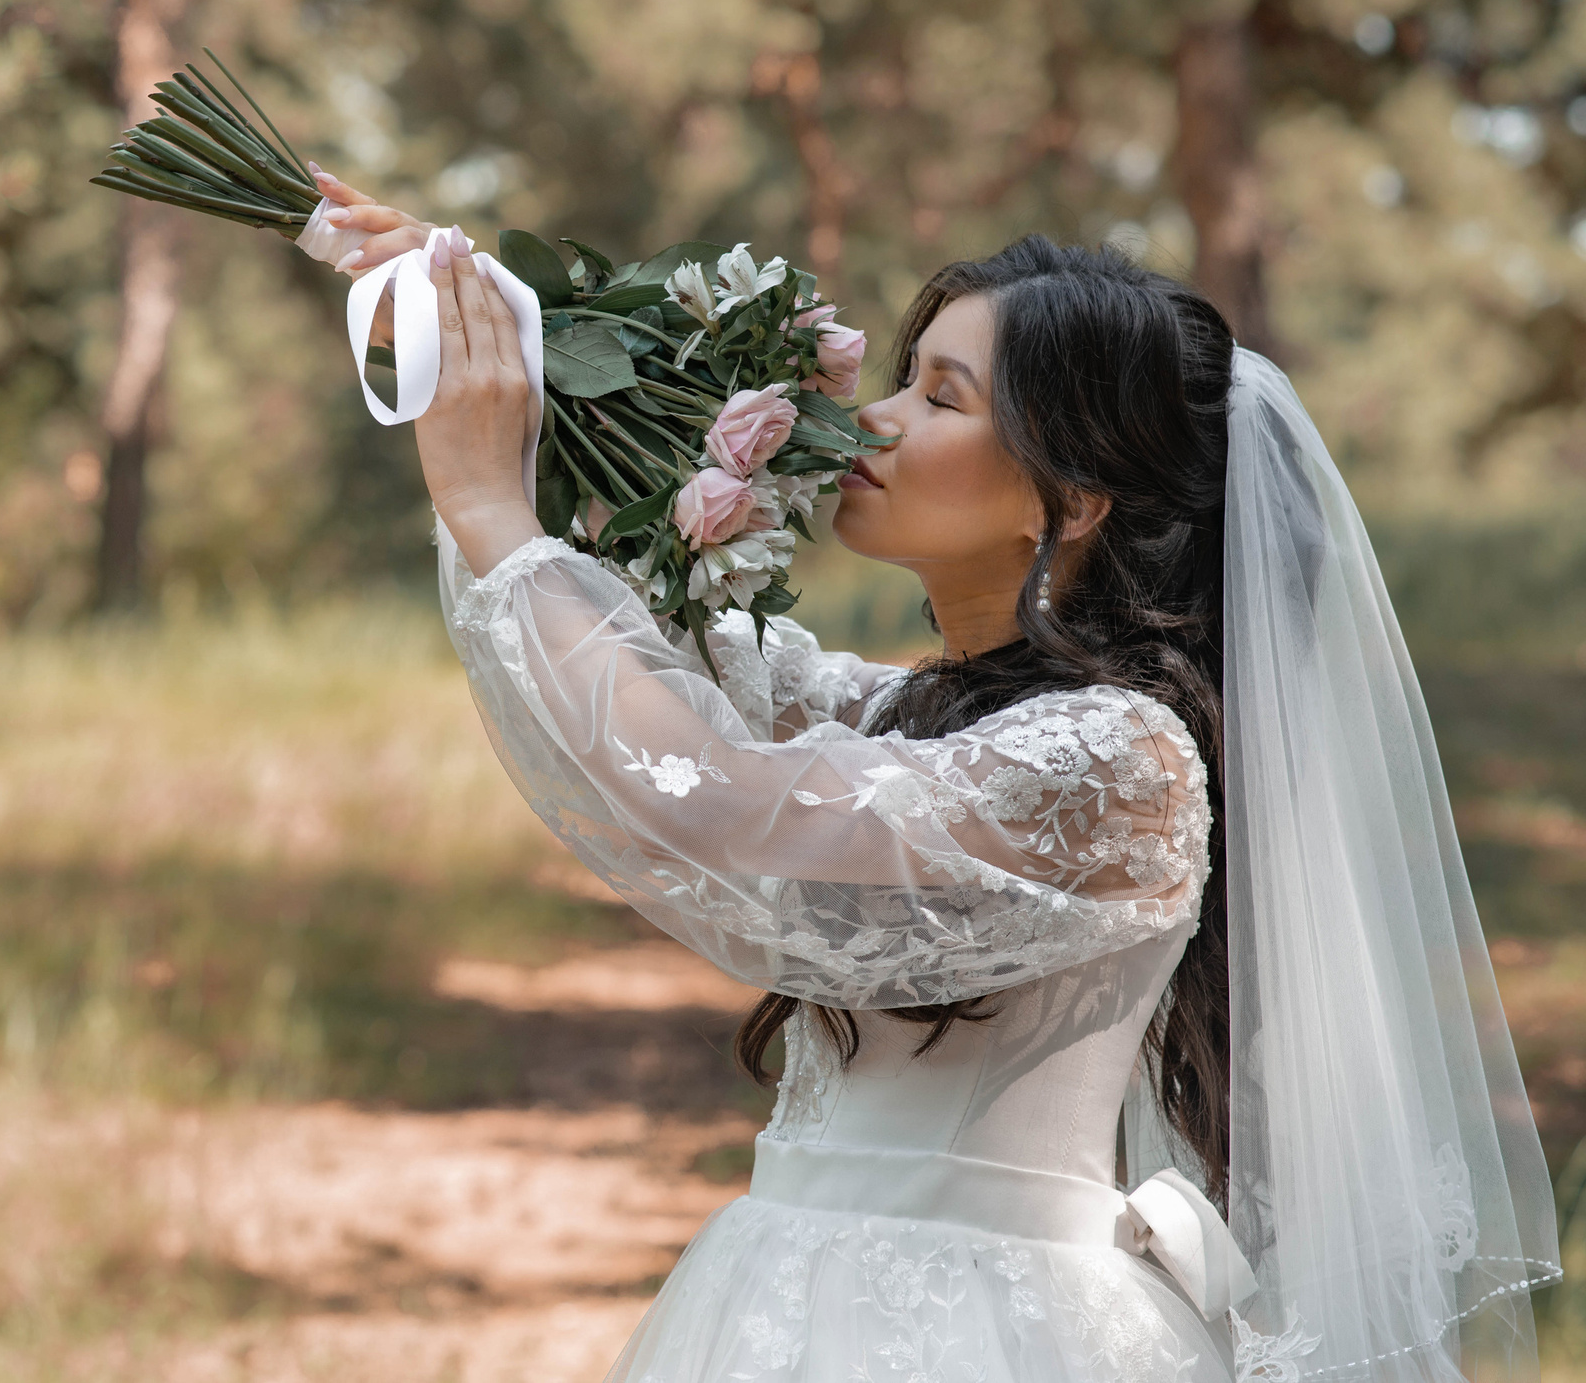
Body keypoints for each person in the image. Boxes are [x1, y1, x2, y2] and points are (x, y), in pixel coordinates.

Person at [308, 169, 1564, 1383]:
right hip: (784, 1292)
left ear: (1068, 500)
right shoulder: (905, 711)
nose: (877, 419)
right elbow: (663, 649)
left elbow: (720, 794)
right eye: (904, 380)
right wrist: (507, 316)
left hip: (994, 1329)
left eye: (941, 398)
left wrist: (485, 500)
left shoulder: (1117, 762)